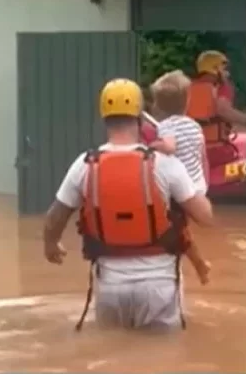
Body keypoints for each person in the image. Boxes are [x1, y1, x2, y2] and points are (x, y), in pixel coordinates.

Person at [43, 78, 215, 331]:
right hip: (160, 287)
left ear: (103, 118)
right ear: (140, 117)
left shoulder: (85, 164)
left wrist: (51, 244)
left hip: (110, 287)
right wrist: (196, 182)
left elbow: (55, 217)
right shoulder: (166, 164)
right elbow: (205, 217)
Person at [147, 70, 212, 285]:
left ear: (158, 106)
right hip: (198, 186)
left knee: (177, 230)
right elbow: (202, 157)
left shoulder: (167, 126)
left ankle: (200, 265)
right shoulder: (194, 126)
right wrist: (204, 185)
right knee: (182, 229)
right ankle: (200, 265)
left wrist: (154, 147)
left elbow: (170, 147)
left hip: (180, 189)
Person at [187, 51, 246, 166]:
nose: (227, 73)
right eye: (224, 68)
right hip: (218, 152)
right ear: (215, 68)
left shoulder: (188, 88)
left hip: (194, 151)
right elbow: (223, 110)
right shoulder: (221, 87)